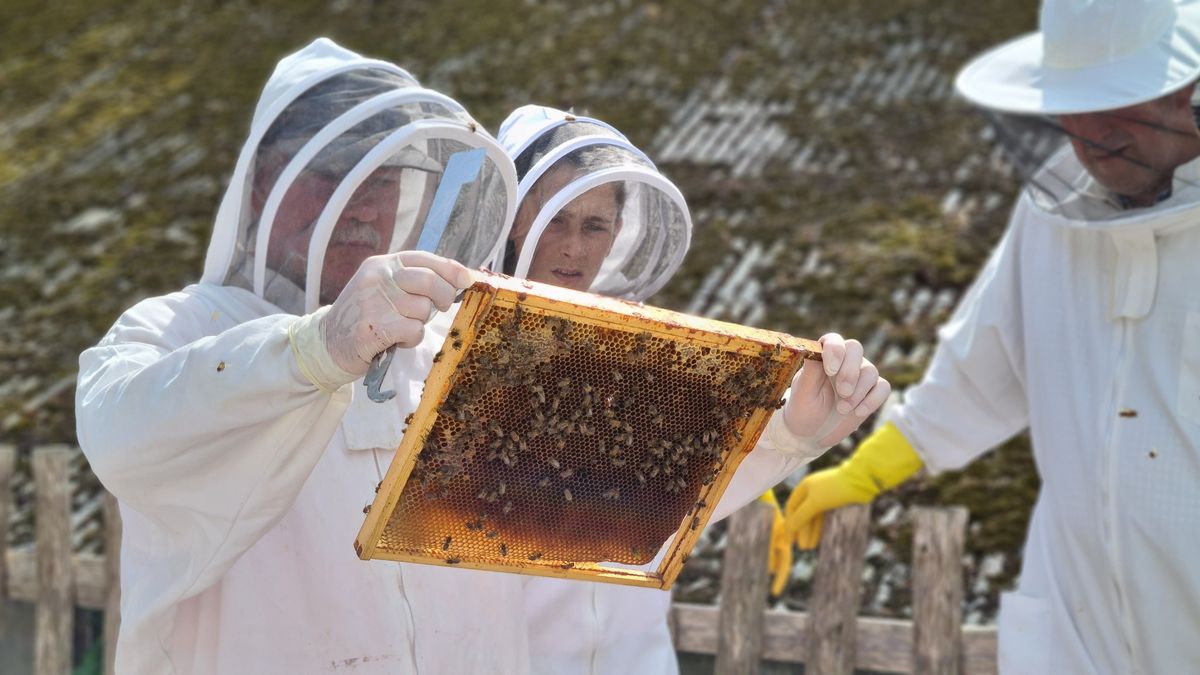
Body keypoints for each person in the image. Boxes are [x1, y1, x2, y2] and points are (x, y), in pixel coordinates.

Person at [75, 38, 531, 673]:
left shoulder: (447, 349)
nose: (366, 205)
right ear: (262, 184)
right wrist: (313, 352)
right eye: (335, 174)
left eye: (387, 178)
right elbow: (117, 431)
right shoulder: (178, 327)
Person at [783, 0, 1200, 672]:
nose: (1093, 133)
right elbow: (984, 362)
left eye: (1119, 103)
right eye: (1075, 103)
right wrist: (866, 471)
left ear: (1183, 84)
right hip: (1077, 631)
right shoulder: (1055, 212)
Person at [495, 105, 892, 674]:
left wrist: (788, 435)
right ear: (513, 219)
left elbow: (698, 479)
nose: (573, 249)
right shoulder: (442, 345)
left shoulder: (644, 355)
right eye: (555, 218)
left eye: (595, 225)